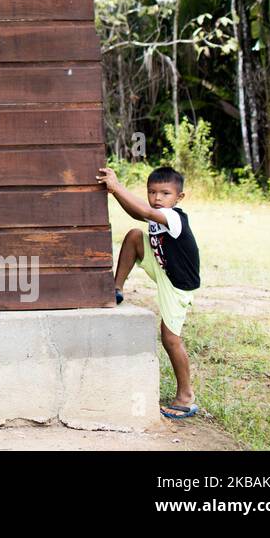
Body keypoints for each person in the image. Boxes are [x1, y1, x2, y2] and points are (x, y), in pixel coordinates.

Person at [98, 164, 202, 419]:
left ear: (179, 198)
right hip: (163, 267)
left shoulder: (174, 217)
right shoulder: (156, 212)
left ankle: (186, 397)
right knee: (135, 236)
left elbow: (143, 209)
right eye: (152, 192)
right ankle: (116, 288)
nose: (157, 198)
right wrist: (114, 193)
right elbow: (137, 214)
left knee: (170, 338)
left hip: (177, 284)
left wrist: (116, 186)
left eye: (165, 193)